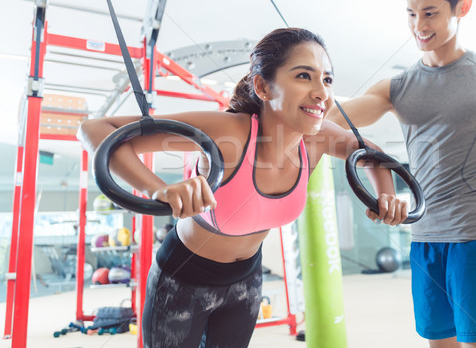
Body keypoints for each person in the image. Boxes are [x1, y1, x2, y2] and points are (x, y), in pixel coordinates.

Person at [78, 28, 408, 348]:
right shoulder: (231, 133)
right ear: (263, 87)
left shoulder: (318, 140)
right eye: (304, 76)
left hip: (245, 282)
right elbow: (95, 130)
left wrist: (387, 195)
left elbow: (373, 156)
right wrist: (157, 189)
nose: (322, 92)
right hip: (182, 278)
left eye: (327, 79)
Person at [328, 0, 476, 348]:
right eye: (410, 14)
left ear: (463, 6)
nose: (418, 26)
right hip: (423, 242)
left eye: (430, 13)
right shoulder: (398, 87)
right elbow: (332, 117)